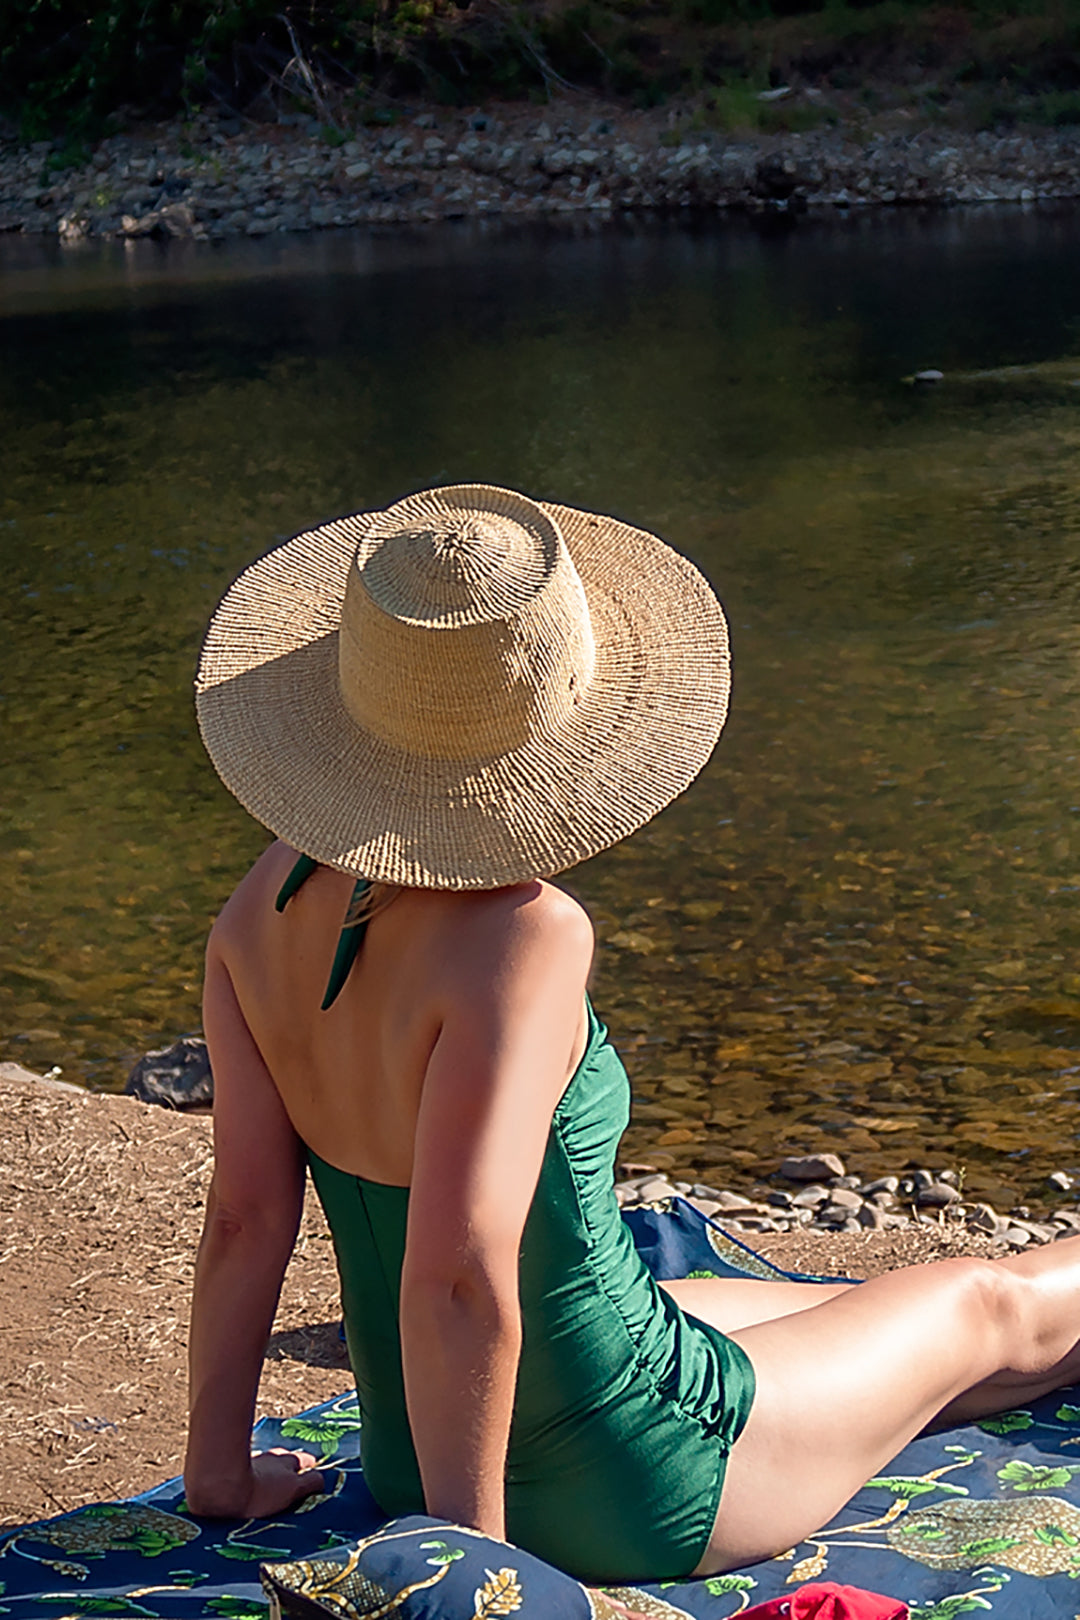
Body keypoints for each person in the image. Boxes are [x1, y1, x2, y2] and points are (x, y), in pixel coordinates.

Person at [185, 482, 1080, 1591]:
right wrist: (473, 1576)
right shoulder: (526, 935)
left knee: (826, 1308)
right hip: (632, 1483)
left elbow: (243, 1215)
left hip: (414, 1452)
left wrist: (218, 1479)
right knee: (984, 1304)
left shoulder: (260, 904)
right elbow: (459, 1274)